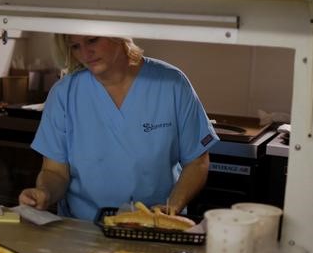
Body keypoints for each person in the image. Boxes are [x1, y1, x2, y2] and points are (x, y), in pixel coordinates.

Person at [18, 34, 219, 221]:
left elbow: (197, 161)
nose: (85, 54)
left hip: (155, 225)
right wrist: (44, 192)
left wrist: (172, 206)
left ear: (118, 35)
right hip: (83, 230)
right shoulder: (64, 93)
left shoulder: (171, 83)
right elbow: (55, 172)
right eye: (75, 47)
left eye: (92, 41)